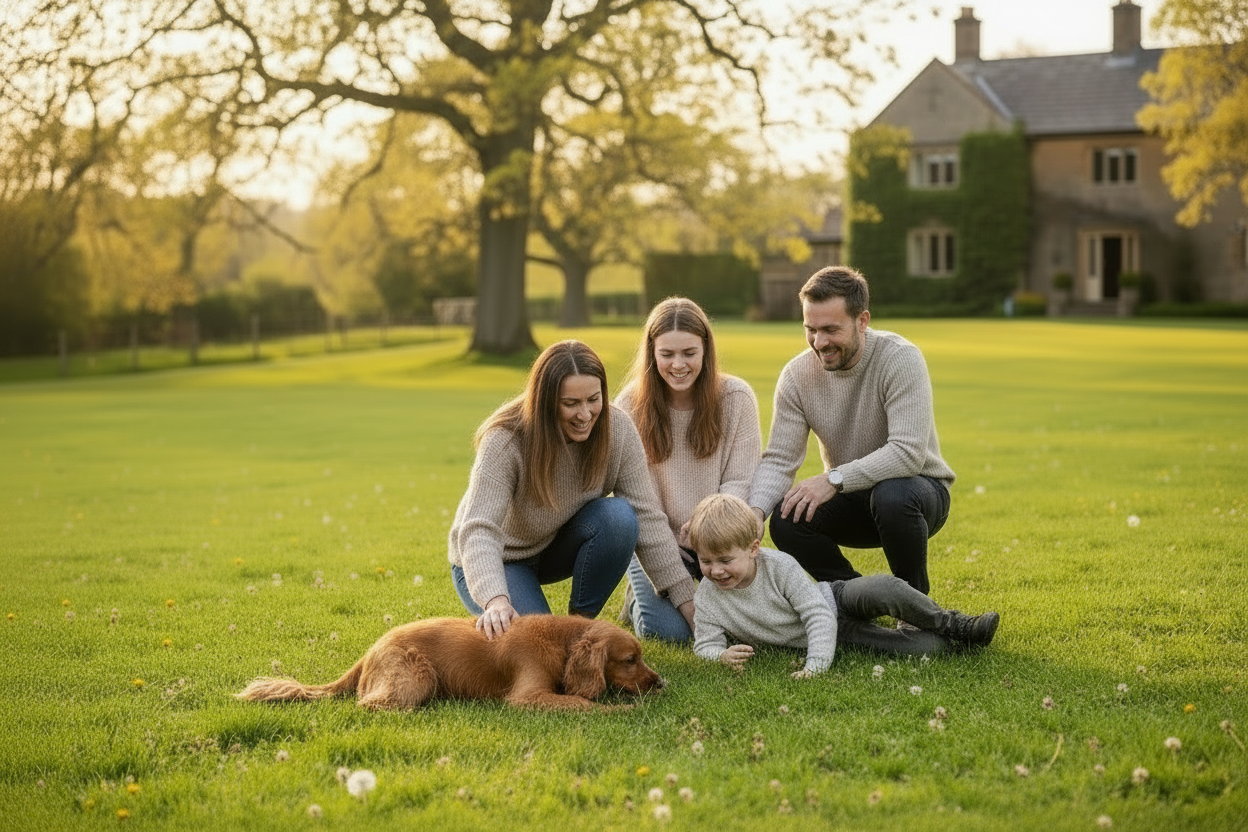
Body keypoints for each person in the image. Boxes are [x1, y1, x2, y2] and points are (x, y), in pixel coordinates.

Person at [448, 340, 697, 640]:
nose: (585, 414)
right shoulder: (506, 439)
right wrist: (495, 600)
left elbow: (648, 519)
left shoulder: (617, 429)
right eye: (570, 404)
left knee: (619, 517)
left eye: (593, 399)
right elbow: (479, 530)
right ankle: (559, 633)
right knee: (543, 646)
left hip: (553, 547)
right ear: (545, 401)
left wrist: (689, 604)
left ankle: (580, 627)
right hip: (499, 559)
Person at [748, 265, 955, 596]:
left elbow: (908, 454)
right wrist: (753, 513)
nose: (819, 342)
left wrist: (833, 479)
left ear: (862, 320)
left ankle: (914, 604)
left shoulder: (900, 358)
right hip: (852, 496)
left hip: (917, 496)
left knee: (892, 494)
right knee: (787, 519)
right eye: (810, 329)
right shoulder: (796, 375)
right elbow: (779, 459)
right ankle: (857, 598)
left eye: (831, 329)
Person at [689, 494, 999, 676]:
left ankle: (955, 624)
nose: (715, 571)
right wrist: (721, 656)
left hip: (835, 600)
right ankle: (951, 644)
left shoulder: (779, 567)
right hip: (840, 635)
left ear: (753, 549)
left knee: (887, 589)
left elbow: (818, 614)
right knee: (923, 648)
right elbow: (704, 645)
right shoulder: (708, 597)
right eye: (706, 562)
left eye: (725, 561)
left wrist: (816, 666)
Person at [615, 297, 761, 642]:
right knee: (670, 633)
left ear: (705, 350)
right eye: (667, 354)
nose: (678, 365)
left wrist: (709, 529)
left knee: (748, 622)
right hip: (656, 541)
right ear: (652, 352)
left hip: (718, 537)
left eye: (689, 353)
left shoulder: (736, 398)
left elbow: (740, 481)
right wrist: (669, 559)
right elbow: (639, 506)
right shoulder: (628, 407)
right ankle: (639, 594)